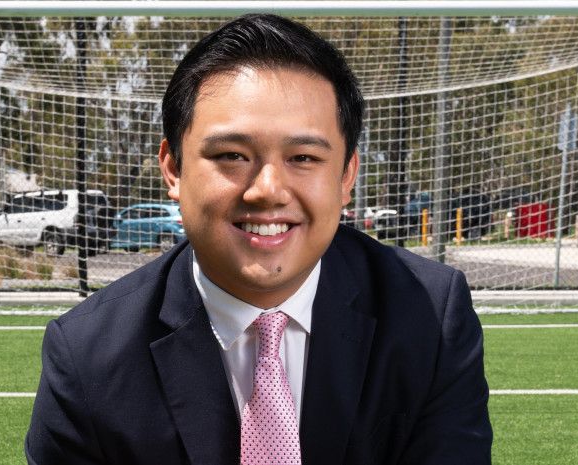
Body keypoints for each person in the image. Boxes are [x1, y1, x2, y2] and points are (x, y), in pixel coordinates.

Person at [26, 14, 492, 465]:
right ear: (173, 168)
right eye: (232, 154)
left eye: (303, 157)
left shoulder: (430, 316)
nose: (268, 190)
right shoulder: (88, 355)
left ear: (347, 175)